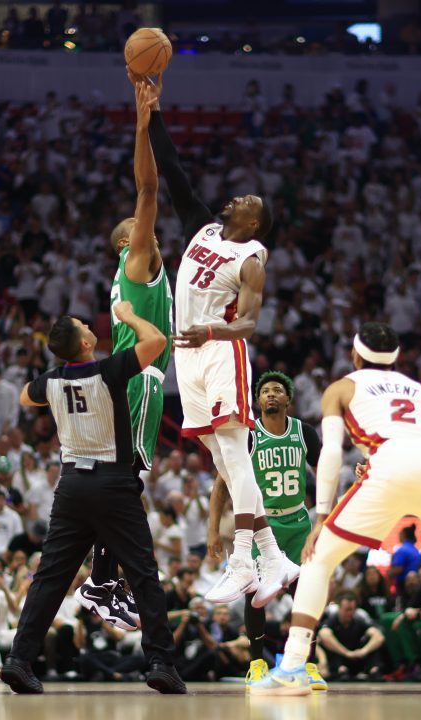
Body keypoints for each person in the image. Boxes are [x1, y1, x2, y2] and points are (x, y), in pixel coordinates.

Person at [248, 323, 421, 696]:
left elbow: (331, 453)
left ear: (355, 354)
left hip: (390, 464)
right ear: (394, 357)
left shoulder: (341, 387)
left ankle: (294, 665)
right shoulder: (419, 390)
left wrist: (323, 516)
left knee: (316, 561)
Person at [145, 72, 291, 605]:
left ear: (255, 224)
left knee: (233, 452)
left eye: (250, 200)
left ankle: (243, 561)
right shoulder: (205, 229)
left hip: (220, 349)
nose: (240, 195)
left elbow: (249, 323)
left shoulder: (251, 257)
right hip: (187, 356)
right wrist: (152, 115)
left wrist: (210, 329)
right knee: (224, 459)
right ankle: (274, 558)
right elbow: (174, 173)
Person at [0, 302, 185, 695]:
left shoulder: (52, 380)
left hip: (71, 486)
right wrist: (128, 315)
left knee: (50, 576)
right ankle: (161, 663)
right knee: (142, 572)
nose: (88, 324)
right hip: (112, 482)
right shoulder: (108, 370)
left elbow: (25, 398)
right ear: (85, 343)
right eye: (83, 325)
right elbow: (156, 341)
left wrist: (59, 391)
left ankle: (19, 659)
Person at [77, 73, 173, 636]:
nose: (151, 230)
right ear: (126, 242)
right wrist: (144, 126)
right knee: (127, 482)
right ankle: (100, 581)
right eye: (140, 229)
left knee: (121, 482)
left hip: (134, 375)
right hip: (140, 379)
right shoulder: (137, 261)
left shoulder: (139, 276)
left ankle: (102, 579)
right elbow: (148, 189)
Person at [205, 370, 326, 691]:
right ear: (257, 401)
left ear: (288, 399)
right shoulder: (248, 436)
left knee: (306, 596)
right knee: (256, 595)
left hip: (298, 523)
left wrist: (328, 516)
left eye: (277, 390)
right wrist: (213, 529)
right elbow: (221, 484)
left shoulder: (304, 432)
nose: (271, 394)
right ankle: (257, 664)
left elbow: (326, 472)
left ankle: (308, 664)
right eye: (265, 391)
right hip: (262, 524)